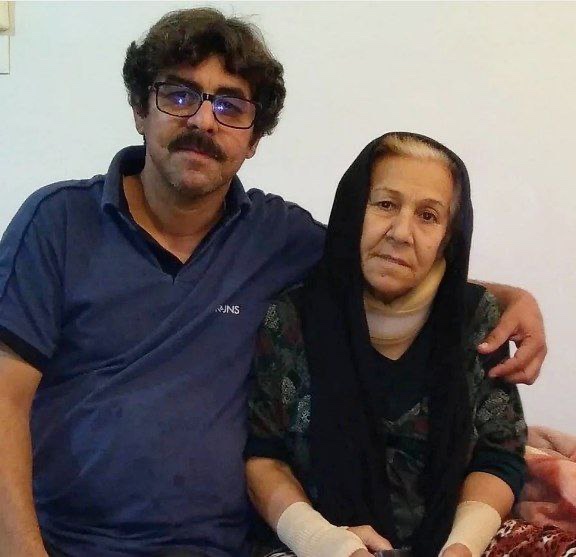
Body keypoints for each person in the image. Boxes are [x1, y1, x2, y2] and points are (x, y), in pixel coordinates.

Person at [0, 7, 543, 557]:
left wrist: (511, 299)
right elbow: (3, 398)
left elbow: (383, 257)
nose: (203, 121)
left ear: (254, 138)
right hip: (67, 543)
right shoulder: (58, 223)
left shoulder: (277, 237)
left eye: (230, 106)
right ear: (140, 109)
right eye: (179, 95)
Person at [245, 132, 527, 557]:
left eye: (428, 216)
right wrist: (324, 541)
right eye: (385, 205)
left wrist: (462, 546)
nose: (401, 232)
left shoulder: (474, 317)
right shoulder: (291, 316)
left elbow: (499, 454)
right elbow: (264, 456)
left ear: (448, 235)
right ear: (353, 210)